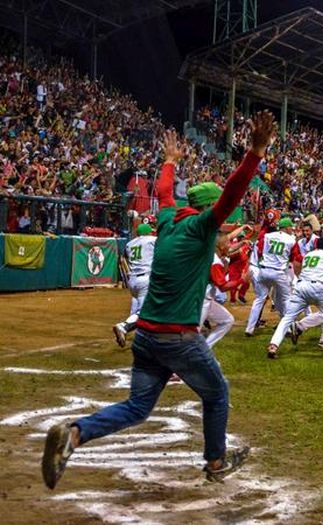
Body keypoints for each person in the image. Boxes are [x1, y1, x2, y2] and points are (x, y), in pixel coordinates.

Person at [41, 113, 276, 490]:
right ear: (207, 211)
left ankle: (74, 434)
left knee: (137, 408)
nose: (227, 221)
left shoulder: (168, 219)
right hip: (177, 338)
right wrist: (256, 152)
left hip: (148, 336)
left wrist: (169, 162)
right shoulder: (202, 226)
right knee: (217, 394)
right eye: (221, 215)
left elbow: (165, 193)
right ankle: (215, 461)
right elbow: (232, 193)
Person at [266, 237, 323, 359]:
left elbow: (297, 263)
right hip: (318, 288)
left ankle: (273, 345)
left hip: (301, 287)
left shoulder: (308, 255)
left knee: (287, 318)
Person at [244, 217, 297, 336]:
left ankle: (249, 328)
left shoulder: (268, 236)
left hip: (264, 270)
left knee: (259, 299)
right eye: (290, 227)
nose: (291, 229)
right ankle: (289, 328)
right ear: (286, 227)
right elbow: (292, 259)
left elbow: (259, 251)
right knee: (286, 299)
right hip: (279, 272)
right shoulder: (291, 239)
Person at [112, 222, 157, 347]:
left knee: (139, 309)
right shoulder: (153, 240)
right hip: (145, 280)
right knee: (145, 312)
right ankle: (124, 327)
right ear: (148, 232)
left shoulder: (129, 244)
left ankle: (141, 333)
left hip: (132, 282)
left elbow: (124, 257)